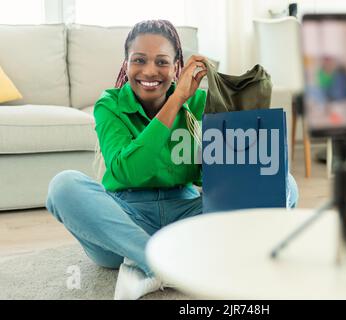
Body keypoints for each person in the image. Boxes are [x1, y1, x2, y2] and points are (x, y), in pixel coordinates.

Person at [45, 20, 299, 300]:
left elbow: (213, 180)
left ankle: (152, 263)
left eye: (162, 62)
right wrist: (175, 101)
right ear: (126, 64)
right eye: (139, 60)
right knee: (64, 185)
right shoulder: (110, 105)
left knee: (285, 183)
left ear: (177, 67)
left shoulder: (200, 104)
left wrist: (241, 159)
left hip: (185, 219)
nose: (149, 71)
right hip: (123, 224)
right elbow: (128, 172)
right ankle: (158, 261)